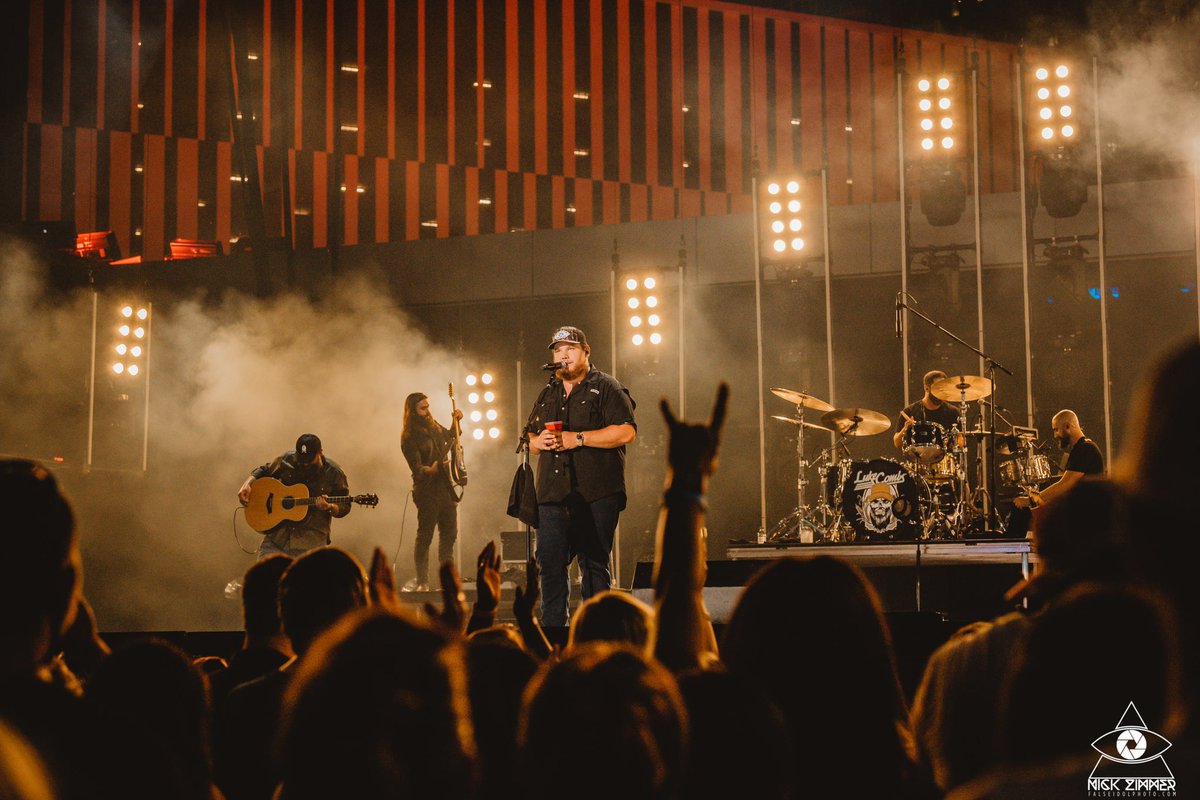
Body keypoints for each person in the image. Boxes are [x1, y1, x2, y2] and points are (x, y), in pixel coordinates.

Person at [526, 326, 637, 627]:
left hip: (596, 491)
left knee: (593, 563)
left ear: (586, 352)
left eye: (570, 348)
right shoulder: (547, 392)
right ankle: (553, 635)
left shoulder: (607, 387)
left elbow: (626, 431)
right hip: (551, 494)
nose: (563, 355)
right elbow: (529, 439)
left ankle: (598, 633)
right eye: (558, 350)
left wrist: (579, 438)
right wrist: (537, 442)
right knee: (549, 564)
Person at [237, 434, 350, 558]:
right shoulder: (287, 459)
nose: (305, 464)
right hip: (277, 539)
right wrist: (247, 484)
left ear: (320, 452)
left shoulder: (334, 473)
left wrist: (329, 507)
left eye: (309, 460)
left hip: (310, 545)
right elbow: (265, 469)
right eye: (301, 460)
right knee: (262, 576)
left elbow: (344, 506)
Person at [401, 392, 464, 591]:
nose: (428, 411)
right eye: (423, 408)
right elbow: (417, 469)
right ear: (413, 411)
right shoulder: (409, 437)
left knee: (449, 535)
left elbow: (452, 437)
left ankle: (447, 583)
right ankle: (423, 582)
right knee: (425, 536)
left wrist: (456, 422)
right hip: (427, 491)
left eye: (428, 406)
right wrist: (431, 469)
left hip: (445, 488)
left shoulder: (434, 425)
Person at [1012, 409, 1103, 510]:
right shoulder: (1081, 448)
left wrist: (1030, 499)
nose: (1055, 435)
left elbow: (1064, 484)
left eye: (1056, 430)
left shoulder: (1085, 449)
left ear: (1068, 426)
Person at [893, 369, 960, 452]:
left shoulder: (953, 412)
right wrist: (906, 428)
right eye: (937, 387)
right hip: (917, 461)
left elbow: (960, 443)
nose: (941, 392)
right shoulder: (910, 412)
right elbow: (897, 443)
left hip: (945, 462)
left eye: (942, 388)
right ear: (926, 388)